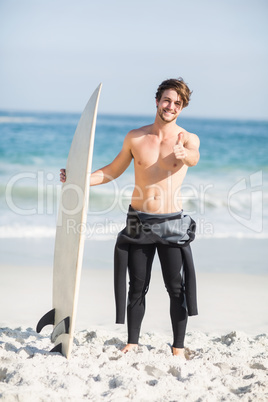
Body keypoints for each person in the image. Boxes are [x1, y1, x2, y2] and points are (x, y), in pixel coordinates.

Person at [60, 78, 200, 358]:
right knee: (137, 285)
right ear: (158, 100)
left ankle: (178, 347)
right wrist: (79, 179)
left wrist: (185, 154)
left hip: (171, 221)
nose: (171, 106)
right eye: (167, 100)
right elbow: (113, 170)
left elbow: (194, 157)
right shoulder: (135, 137)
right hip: (138, 219)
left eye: (177, 103)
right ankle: (132, 342)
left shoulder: (187, 139)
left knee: (176, 287)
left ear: (182, 107)